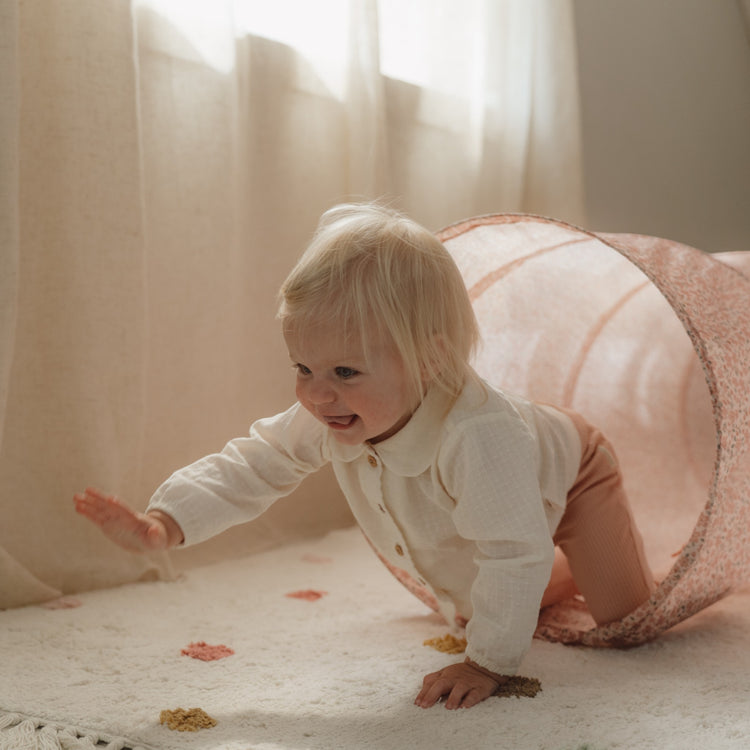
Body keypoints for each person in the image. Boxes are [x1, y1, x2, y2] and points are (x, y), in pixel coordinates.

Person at [74, 202, 655, 710]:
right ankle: (551, 567)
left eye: (345, 371)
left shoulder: (479, 435)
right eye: (304, 368)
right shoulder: (330, 413)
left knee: (626, 626)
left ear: (430, 362)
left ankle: (575, 548)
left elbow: (509, 550)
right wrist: (165, 524)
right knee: (487, 603)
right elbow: (255, 463)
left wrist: (488, 664)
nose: (317, 394)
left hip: (576, 474)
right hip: (512, 497)